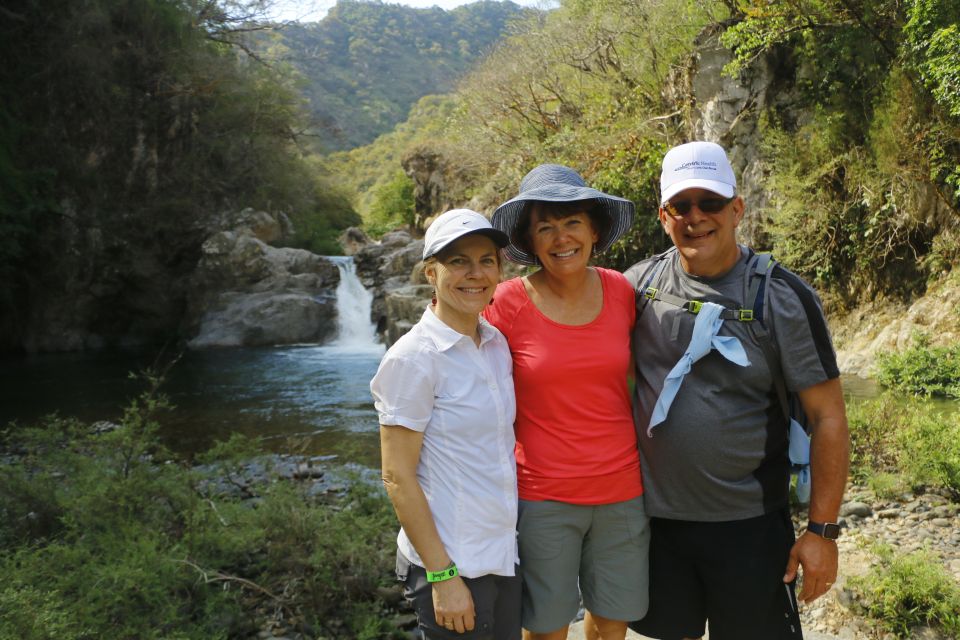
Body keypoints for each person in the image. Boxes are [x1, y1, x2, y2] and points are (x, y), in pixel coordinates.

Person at [624, 141, 850, 640]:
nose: (696, 217)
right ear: (664, 216)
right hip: (655, 526)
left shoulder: (781, 297)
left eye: (710, 203)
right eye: (681, 206)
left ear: (737, 208)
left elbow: (828, 417)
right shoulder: (639, 288)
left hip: (749, 528)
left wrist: (822, 533)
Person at [484, 164, 649, 640]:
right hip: (542, 498)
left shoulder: (621, 291)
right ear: (530, 242)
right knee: (546, 628)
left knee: (611, 626)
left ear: (594, 231)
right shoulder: (506, 302)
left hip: (622, 493)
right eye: (545, 228)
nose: (561, 239)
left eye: (572, 223)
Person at [371, 209, 521, 639]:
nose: (475, 273)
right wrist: (442, 576)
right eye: (458, 261)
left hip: (501, 552)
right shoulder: (413, 358)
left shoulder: (495, 344)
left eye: (486, 260)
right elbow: (396, 476)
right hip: (451, 563)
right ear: (430, 273)